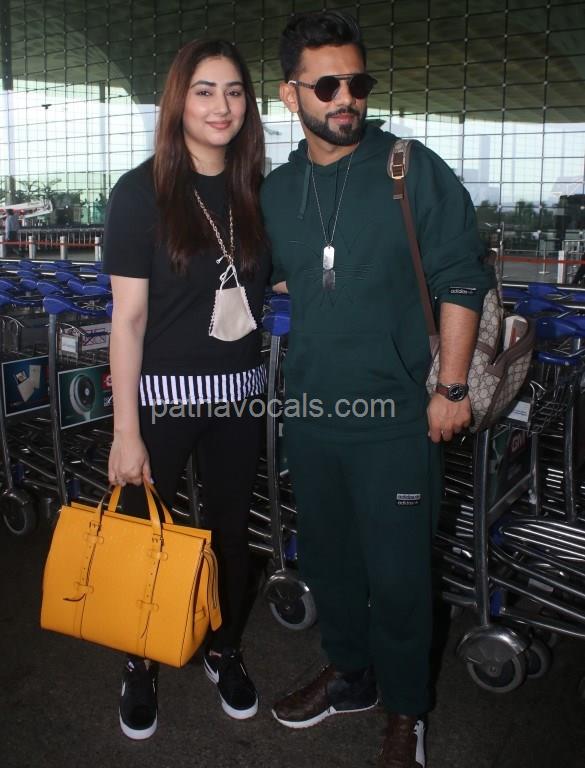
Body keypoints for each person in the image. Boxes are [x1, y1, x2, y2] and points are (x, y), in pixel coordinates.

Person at [260, 11, 494, 768]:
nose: (346, 99)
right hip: (312, 414)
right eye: (327, 85)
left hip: (397, 419)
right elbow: (271, 275)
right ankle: (350, 675)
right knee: (328, 564)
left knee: (398, 578)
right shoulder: (278, 190)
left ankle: (406, 707)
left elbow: (462, 276)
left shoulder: (407, 167)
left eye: (356, 83)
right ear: (289, 93)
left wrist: (450, 386)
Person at [103, 39, 270, 740]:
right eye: (204, 90)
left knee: (230, 533)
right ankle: (139, 659)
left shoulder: (256, 191)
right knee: (146, 534)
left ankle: (222, 648)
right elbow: (129, 319)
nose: (220, 106)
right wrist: (126, 432)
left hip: (239, 398)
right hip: (162, 400)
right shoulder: (141, 193)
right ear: (179, 100)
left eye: (233, 91)